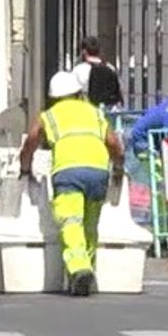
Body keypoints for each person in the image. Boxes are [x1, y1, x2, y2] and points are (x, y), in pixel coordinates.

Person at [18, 71, 125, 296]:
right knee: (90, 225)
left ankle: (79, 269)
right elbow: (114, 143)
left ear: (53, 97)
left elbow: (30, 143)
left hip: (68, 173)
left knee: (71, 222)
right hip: (98, 172)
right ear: (79, 94)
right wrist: (118, 168)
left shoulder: (49, 116)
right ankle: (85, 275)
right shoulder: (95, 113)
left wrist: (25, 169)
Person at [69, 36, 124, 110]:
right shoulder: (111, 68)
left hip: (88, 111)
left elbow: (73, 94)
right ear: (99, 51)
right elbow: (118, 91)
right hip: (108, 112)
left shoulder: (78, 70)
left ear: (84, 51)